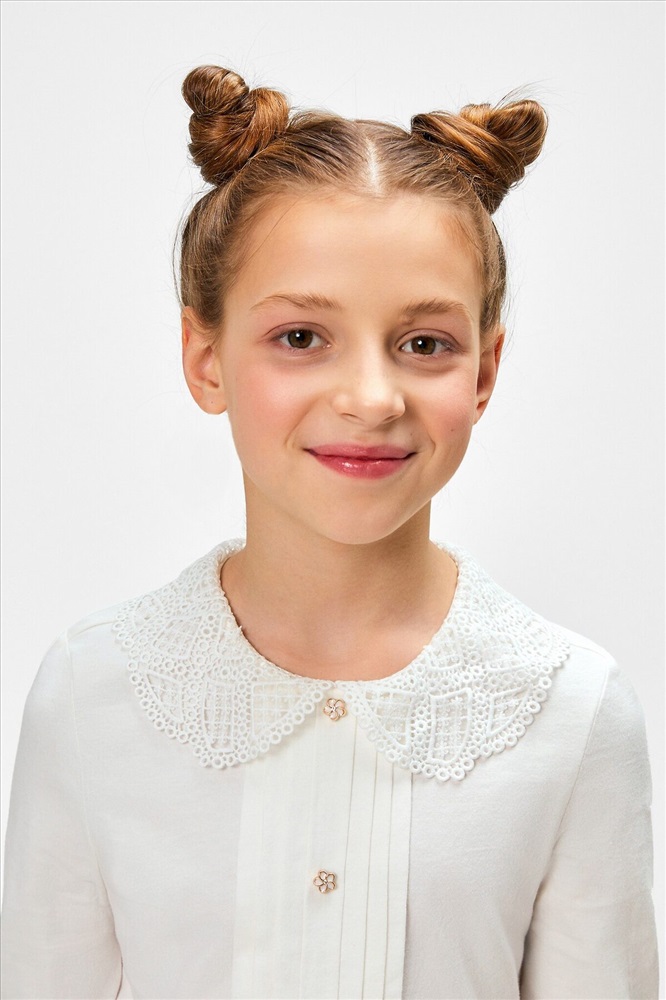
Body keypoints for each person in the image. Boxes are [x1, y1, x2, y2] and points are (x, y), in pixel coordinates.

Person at [1, 65, 659, 1000]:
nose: (371, 398)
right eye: (302, 337)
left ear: (484, 371)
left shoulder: (572, 711)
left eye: (424, 344)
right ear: (206, 358)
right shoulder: (90, 693)